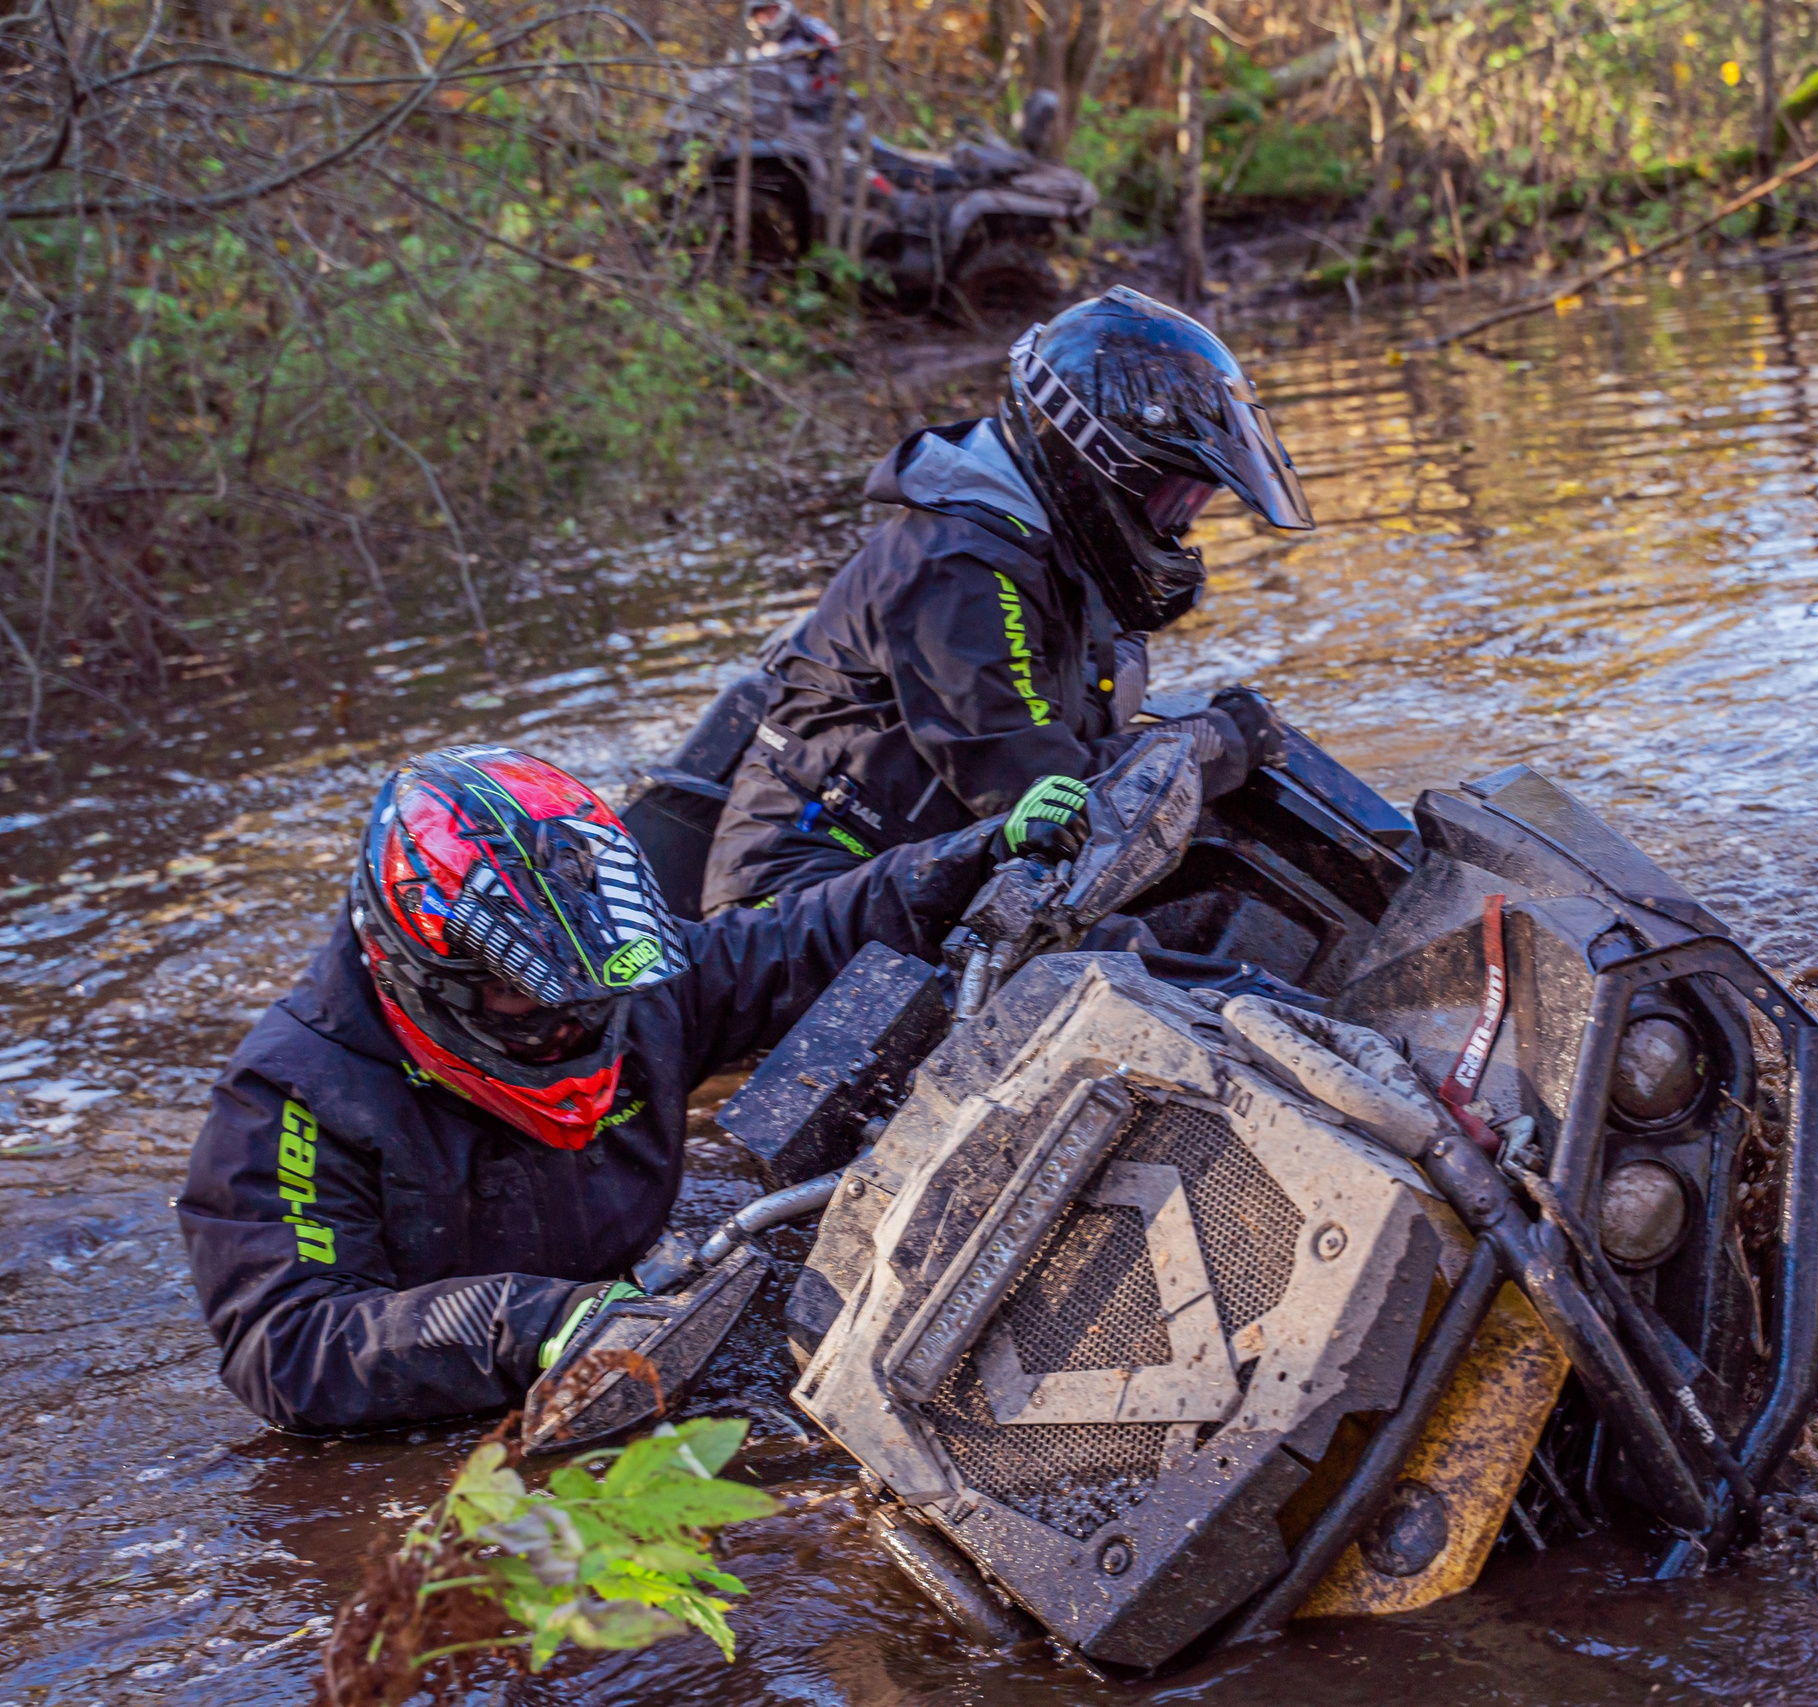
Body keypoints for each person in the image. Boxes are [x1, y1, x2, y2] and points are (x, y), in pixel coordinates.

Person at [176, 745, 1088, 1432]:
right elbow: (282, 1344)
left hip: (627, 1326)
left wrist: (972, 854)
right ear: (428, 971)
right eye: (524, 994)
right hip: (466, 1402)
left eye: (587, 989)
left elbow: (789, 941)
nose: (568, 1021)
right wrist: (533, 1324)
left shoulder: (628, 986)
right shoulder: (289, 1093)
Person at [699, 286, 1316, 915]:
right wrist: (1222, 742)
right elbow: (1047, 797)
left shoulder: (1044, 550)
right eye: (1170, 499)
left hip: (913, 865)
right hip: (801, 903)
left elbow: (1078, 723)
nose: (1175, 526)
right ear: (1097, 463)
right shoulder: (957, 570)